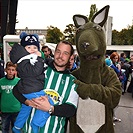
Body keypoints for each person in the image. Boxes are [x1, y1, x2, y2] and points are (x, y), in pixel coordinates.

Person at [13, 40, 79, 133]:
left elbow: (70, 110)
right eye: (58, 52)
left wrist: (50, 108)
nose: (60, 56)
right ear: (54, 52)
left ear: (71, 57)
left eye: (65, 53)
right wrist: (27, 102)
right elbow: (16, 89)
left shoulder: (73, 82)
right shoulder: (39, 68)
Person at [9, 32, 54, 133]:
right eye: (29, 47)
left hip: (27, 90)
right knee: (49, 102)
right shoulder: (24, 60)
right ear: (23, 49)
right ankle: (36, 124)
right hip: (32, 90)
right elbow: (36, 71)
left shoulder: (26, 60)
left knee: (26, 107)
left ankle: (17, 127)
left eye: (35, 47)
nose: (33, 50)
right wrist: (39, 58)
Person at [0, 61, 21, 133]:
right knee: (4, 129)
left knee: (16, 129)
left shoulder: (19, 81)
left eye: (13, 70)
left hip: (16, 109)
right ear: (5, 70)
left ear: (15, 71)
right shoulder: (1, 81)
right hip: (4, 110)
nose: (10, 72)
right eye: (9, 69)